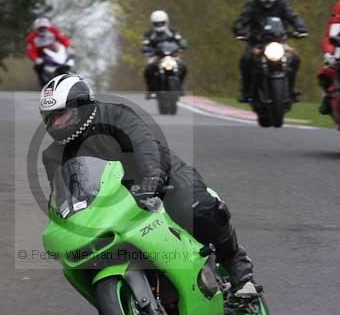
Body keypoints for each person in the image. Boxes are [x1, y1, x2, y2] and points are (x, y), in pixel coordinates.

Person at [39, 73, 259, 297]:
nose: (56, 123)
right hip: (114, 201)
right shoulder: (53, 155)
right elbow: (64, 195)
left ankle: (237, 265)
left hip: (163, 175)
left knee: (194, 208)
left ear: (82, 106)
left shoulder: (116, 116)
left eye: (61, 114)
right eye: (50, 118)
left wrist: (152, 177)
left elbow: (145, 146)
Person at [232, 0, 308, 103]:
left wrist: (300, 28)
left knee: (295, 58)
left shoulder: (283, 4)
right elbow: (242, 20)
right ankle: (245, 91)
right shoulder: (252, 5)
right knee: (245, 59)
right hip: (257, 42)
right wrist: (239, 30)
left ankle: (291, 89)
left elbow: (294, 17)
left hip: (279, 42)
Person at [141, 10, 188, 100]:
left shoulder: (173, 32)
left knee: (183, 67)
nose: (159, 25)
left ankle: (180, 86)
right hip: (156, 57)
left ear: (166, 22)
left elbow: (181, 41)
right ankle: (150, 90)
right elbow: (144, 45)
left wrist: (182, 46)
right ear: (153, 23)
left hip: (172, 56)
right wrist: (146, 50)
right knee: (148, 70)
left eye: (161, 23)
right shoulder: (149, 34)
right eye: (157, 23)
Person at [26, 17, 72, 86]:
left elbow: (62, 39)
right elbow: (30, 50)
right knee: (37, 67)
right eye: (40, 29)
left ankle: (68, 76)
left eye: (44, 28)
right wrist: (35, 58)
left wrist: (68, 46)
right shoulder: (31, 37)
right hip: (41, 55)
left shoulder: (53, 30)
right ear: (36, 29)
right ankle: (43, 84)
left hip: (54, 52)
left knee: (66, 60)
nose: (43, 30)